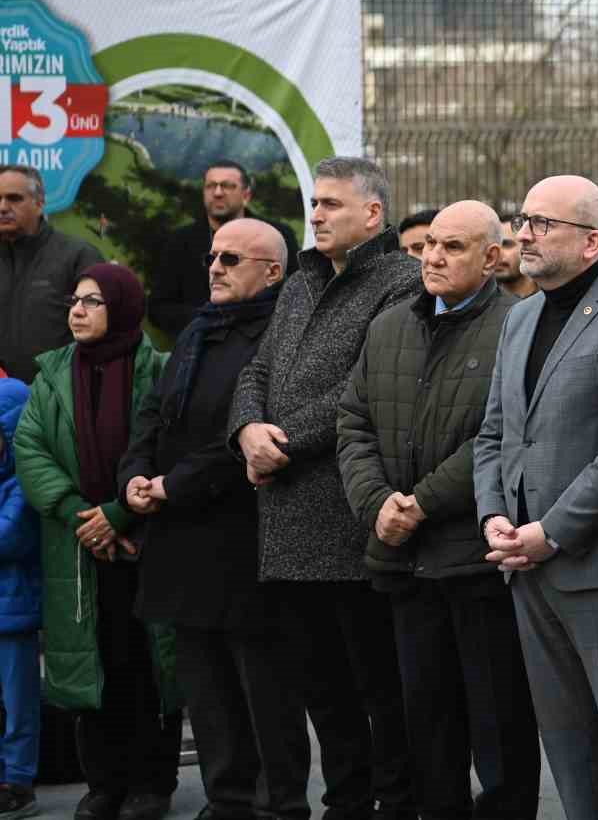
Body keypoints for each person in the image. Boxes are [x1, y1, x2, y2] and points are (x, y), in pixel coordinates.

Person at [228, 156, 421, 820]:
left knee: (378, 691)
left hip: (347, 521)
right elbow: (257, 368)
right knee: (324, 694)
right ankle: (345, 805)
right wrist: (248, 430)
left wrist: (280, 441)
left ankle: (392, 806)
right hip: (284, 524)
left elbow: (364, 387)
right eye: (314, 203)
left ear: (373, 213)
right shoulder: (301, 284)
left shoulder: (402, 283)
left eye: (332, 204)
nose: (316, 215)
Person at [338, 201, 540, 820]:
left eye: (452, 247)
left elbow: (499, 436)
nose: (433, 257)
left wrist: (420, 504)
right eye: (428, 246)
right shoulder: (389, 327)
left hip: (475, 562)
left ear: (491, 257)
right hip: (403, 564)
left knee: (498, 726)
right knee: (426, 725)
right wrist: (377, 505)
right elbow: (354, 423)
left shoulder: (519, 326)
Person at [473, 175, 598, 820]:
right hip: (523, 567)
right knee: (566, 743)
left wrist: (549, 532)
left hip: (596, 570)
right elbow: (494, 431)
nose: (523, 233)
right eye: (522, 218)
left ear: (590, 243)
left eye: (541, 223)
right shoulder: (520, 315)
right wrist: (494, 516)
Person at [117, 220, 310, 820]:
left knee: (263, 689)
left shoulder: (282, 335)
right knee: (206, 688)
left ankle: (278, 803)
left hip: (246, 539)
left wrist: (172, 485)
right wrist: (134, 477)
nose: (215, 267)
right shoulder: (198, 330)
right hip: (182, 542)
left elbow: (248, 432)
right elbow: (153, 414)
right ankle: (226, 800)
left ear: (272, 272)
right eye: (212, 256)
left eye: (231, 258)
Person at [12, 264, 178, 820]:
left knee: (146, 666)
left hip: (143, 541)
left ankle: (151, 785)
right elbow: (31, 450)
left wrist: (118, 517)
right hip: (78, 545)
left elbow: (164, 450)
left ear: (125, 308)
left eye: (93, 302)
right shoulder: (52, 374)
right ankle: (103, 783)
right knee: (90, 665)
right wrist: (81, 517)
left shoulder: (158, 370)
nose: (77, 311)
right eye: (75, 301)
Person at [147, 160, 299, 341]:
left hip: (264, 342)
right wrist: (209, 320)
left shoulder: (277, 236)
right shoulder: (179, 241)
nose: (218, 193)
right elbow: (159, 309)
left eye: (227, 186)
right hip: (200, 344)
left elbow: (295, 298)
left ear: (246, 195)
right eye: (211, 186)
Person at [0, 165, 101, 383]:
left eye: (14, 198)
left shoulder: (79, 257)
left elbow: (103, 335)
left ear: (40, 204)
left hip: (60, 401)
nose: (3, 207)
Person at [0, 377, 40, 820]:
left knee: (18, 703)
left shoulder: (21, 484)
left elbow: (7, 538)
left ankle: (19, 781)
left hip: (14, 614)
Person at [496, 215, 539, 299]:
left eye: (507, 245)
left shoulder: (548, 298)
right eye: (493, 247)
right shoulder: (482, 303)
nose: (497, 254)